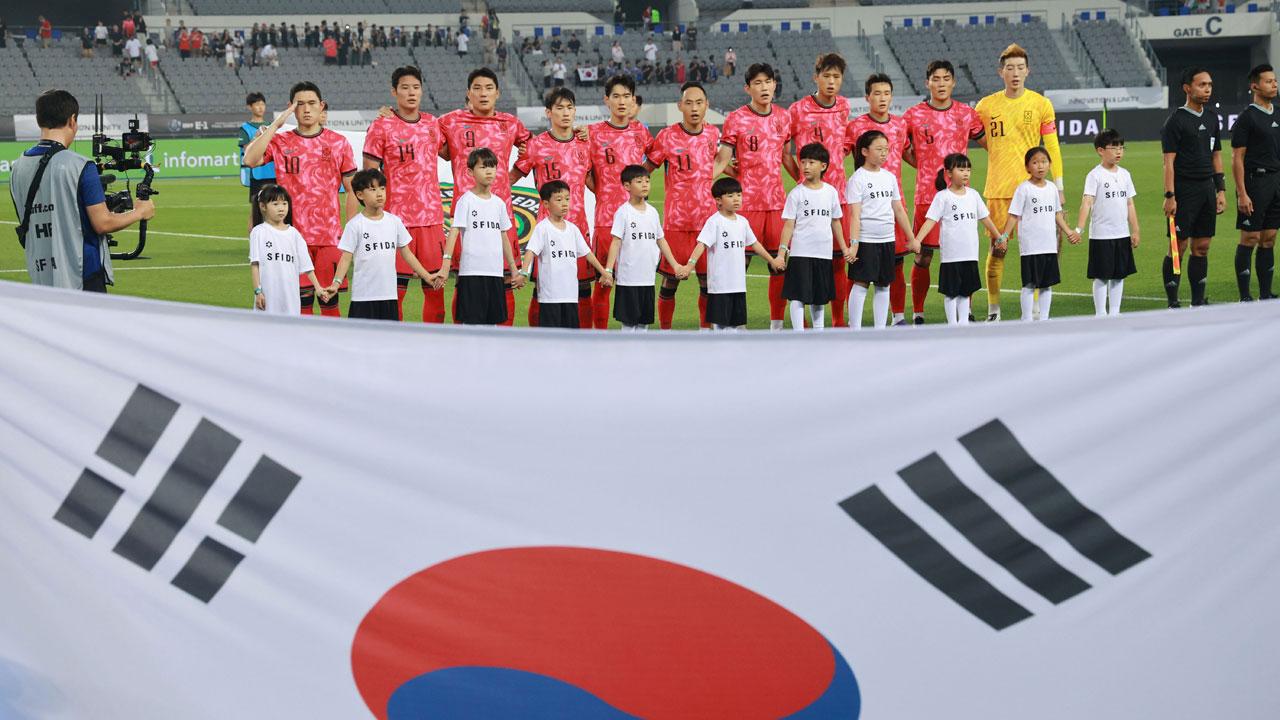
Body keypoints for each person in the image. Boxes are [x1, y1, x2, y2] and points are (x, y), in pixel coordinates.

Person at [9, 90, 155, 291]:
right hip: (82, 276)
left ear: (38, 120)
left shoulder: (17, 167)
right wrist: (140, 212)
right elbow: (103, 223)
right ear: (72, 120)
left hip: (41, 275)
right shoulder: (79, 165)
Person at [243, 81, 359, 317]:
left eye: (312, 103)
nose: (306, 109)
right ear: (291, 108)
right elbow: (250, 160)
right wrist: (275, 125)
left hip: (329, 236)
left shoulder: (338, 143)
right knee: (301, 302)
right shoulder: (281, 141)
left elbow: (352, 190)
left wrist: (351, 229)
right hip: (291, 238)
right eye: (300, 104)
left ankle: (330, 351)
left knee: (329, 299)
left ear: (321, 106)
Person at [976, 43, 1065, 322]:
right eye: (1009, 68)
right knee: (997, 249)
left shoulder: (1040, 104)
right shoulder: (986, 106)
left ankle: (1037, 304)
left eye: (1020, 68)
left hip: (1036, 191)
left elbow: (1052, 147)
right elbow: (979, 138)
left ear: (1028, 71)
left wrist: (1059, 187)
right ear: (1000, 72)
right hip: (1000, 189)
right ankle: (993, 308)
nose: (1015, 73)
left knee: (1040, 249)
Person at [437, 68, 533, 325]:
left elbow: (533, 147)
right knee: (463, 278)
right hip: (466, 214)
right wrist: (390, 114)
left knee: (506, 279)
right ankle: (463, 338)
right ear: (468, 93)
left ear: (497, 93)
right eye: (477, 88)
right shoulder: (450, 121)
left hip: (501, 213)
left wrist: (512, 176)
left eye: (489, 88)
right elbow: (423, 132)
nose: (483, 93)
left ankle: (502, 340)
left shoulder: (510, 123)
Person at [714, 63, 798, 330]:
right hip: (744, 204)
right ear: (747, 88)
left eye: (768, 82)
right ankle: (737, 324)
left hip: (776, 204)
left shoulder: (784, 117)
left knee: (779, 265)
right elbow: (723, 159)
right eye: (758, 83)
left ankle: (776, 324)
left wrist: (806, 184)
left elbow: (787, 158)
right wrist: (705, 180)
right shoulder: (736, 118)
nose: (764, 88)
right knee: (738, 265)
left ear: (775, 85)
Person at [903, 60, 987, 323]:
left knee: (964, 254)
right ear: (927, 82)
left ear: (953, 82)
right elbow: (903, 148)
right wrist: (924, 167)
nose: (941, 84)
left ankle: (967, 310)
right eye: (935, 79)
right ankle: (918, 312)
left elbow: (989, 143)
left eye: (946, 78)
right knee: (923, 256)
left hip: (961, 197)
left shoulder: (967, 113)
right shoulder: (913, 115)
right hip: (927, 196)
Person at [362, 66, 447, 323]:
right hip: (396, 221)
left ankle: (434, 345)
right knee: (394, 292)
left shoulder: (433, 123)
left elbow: (452, 154)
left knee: (435, 287)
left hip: (432, 219)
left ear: (422, 90)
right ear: (394, 92)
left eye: (416, 87)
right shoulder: (382, 126)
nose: (411, 92)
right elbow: (369, 176)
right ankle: (393, 344)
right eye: (405, 87)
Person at [512, 87, 594, 328]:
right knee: (543, 289)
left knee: (583, 286)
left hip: (578, 226)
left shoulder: (584, 144)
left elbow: (592, 183)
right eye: (559, 108)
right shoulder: (536, 145)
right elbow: (512, 177)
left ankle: (584, 338)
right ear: (549, 112)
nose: (565, 113)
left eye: (569, 107)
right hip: (547, 229)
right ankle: (539, 339)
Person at [645, 81, 720, 329]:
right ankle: (665, 332)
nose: (694, 108)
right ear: (680, 106)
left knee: (707, 281)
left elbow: (715, 163)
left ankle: (705, 331)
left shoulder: (712, 134)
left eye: (699, 102)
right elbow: (648, 168)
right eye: (689, 103)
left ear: (707, 105)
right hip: (676, 223)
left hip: (707, 223)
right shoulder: (666, 136)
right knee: (670, 281)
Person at [788, 53, 854, 326]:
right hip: (808, 199)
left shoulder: (844, 106)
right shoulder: (798, 109)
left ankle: (838, 320)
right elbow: (784, 152)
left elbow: (846, 145)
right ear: (816, 78)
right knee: (804, 261)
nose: (831, 81)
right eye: (826, 76)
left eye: (836, 76)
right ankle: (799, 322)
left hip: (838, 195)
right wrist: (802, 182)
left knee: (839, 260)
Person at [847, 73, 915, 325]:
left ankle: (895, 319)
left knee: (893, 269)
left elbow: (907, 153)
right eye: (877, 93)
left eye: (887, 93)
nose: (883, 98)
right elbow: (839, 151)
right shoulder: (855, 126)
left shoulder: (900, 125)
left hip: (892, 204)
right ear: (867, 97)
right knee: (862, 276)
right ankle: (853, 326)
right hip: (865, 209)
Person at [587, 74, 654, 328]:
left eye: (627, 96)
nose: (622, 101)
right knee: (604, 283)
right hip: (606, 220)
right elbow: (585, 173)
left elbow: (656, 157)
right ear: (607, 100)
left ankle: (636, 336)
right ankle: (601, 339)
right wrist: (602, 192)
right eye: (616, 96)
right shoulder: (593, 133)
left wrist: (641, 179)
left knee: (638, 281)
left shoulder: (641, 132)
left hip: (639, 221)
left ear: (634, 100)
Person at [327, 169, 438, 321]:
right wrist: (336, 283)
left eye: (382, 188)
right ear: (360, 195)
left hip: (389, 296)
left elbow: (407, 253)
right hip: (363, 297)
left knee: (388, 342)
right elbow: (346, 258)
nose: (379, 193)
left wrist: (427, 276)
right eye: (373, 189)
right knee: (361, 341)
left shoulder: (394, 222)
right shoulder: (355, 225)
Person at [678, 177, 784, 330]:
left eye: (739, 195)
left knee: (737, 325)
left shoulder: (742, 222)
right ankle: (720, 352)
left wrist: (772, 261)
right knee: (721, 326)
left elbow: (755, 244)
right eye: (730, 196)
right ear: (718, 200)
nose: (736, 199)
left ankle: (734, 352)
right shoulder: (714, 222)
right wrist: (689, 266)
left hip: (738, 285)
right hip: (720, 286)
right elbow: (701, 244)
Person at [1161, 66, 1225, 308]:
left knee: (1202, 246)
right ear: (1187, 88)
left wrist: (1220, 190)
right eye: (1202, 85)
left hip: (1206, 190)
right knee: (1179, 246)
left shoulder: (1211, 118)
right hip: (1183, 191)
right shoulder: (1175, 121)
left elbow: (1216, 155)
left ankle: (1198, 301)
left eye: (1209, 85)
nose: (1207, 89)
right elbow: (1168, 162)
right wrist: (1170, 195)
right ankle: (1173, 301)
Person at [913, 154, 1003, 325]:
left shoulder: (973, 195)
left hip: (969, 253)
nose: (966, 173)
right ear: (948, 173)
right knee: (952, 292)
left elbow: (985, 219)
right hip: (951, 255)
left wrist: (998, 237)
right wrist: (918, 239)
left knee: (965, 291)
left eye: (968, 170)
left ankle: (963, 323)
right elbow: (931, 220)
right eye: (961, 169)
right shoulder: (943, 197)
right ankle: (952, 324)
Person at [441, 148, 523, 325]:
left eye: (492, 167)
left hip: (495, 274)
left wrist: (514, 269)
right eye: (483, 167)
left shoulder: (499, 204)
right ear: (471, 171)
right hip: (472, 274)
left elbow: (504, 237)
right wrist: (445, 264)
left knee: (492, 325)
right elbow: (454, 232)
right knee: (471, 325)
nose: (489, 171)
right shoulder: (466, 200)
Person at [1000, 147, 1080, 321]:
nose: (1040, 166)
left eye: (1044, 162)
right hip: (1030, 246)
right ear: (1028, 167)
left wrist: (1068, 232)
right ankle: (1026, 318)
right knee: (1029, 284)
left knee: (1046, 284)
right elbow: (1013, 215)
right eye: (1035, 162)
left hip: (1049, 245)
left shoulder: (1052, 188)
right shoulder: (1024, 189)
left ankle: (1044, 318)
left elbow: (1057, 214)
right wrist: (1004, 237)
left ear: (1049, 165)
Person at [519, 180, 610, 328]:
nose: (565, 204)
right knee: (551, 337)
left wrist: (603, 272)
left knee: (570, 335)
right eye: (559, 200)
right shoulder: (543, 228)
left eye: (567, 199)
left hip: (570, 295)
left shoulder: (573, 229)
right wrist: (523, 271)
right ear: (546, 204)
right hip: (550, 297)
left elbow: (587, 253)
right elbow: (531, 251)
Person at [779, 143, 846, 331]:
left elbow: (836, 222)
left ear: (823, 166)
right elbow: (789, 225)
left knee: (819, 297)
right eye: (803, 162)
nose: (805, 166)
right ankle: (799, 333)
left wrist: (844, 248)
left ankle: (819, 332)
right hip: (801, 253)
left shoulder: (831, 192)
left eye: (811, 162)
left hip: (824, 253)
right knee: (798, 296)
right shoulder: (797, 194)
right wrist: (781, 252)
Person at [605, 165, 679, 331]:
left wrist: (675, 265)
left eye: (647, 181)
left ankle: (640, 355)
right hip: (629, 278)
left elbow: (661, 240)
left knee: (643, 323)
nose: (645, 185)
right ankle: (627, 354)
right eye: (639, 182)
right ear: (627, 186)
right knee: (629, 322)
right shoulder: (623, 213)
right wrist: (608, 270)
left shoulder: (653, 212)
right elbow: (616, 242)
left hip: (647, 277)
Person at [1231, 63, 1280, 301]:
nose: (1274, 85)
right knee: (1250, 238)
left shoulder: (1278, 113)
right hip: (1255, 182)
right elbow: (1237, 158)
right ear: (1255, 86)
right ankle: (1244, 297)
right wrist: (1242, 193)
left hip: (1276, 182)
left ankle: (1265, 295)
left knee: (1269, 238)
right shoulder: (1246, 118)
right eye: (1269, 81)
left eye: (1275, 80)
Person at [1077, 129, 1139, 315]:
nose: (1119, 152)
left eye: (1121, 148)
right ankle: (1100, 313)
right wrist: (1079, 229)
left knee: (1119, 275)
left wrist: (1135, 230)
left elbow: (1130, 203)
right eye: (1114, 148)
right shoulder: (1095, 175)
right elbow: (1086, 202)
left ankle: (1114, 312)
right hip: (1101, 234)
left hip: (1122, 233)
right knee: (1102, 276)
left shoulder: (1125, 174)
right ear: (1101, 151)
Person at [249, 185, 324, 314]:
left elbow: (307, 266)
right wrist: (258, 291)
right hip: (268, 296)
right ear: (263, 206)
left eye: (284, 203)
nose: (281, 208)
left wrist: (318, 287)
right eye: (275, 204)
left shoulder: (294, 234)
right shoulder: (259, 232)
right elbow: (255, 265)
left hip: (291, 297)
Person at [239, 92, 277, 233]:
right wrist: (256, 137)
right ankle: (254, 244)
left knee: (277, 210)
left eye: (262, 104)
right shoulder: (246, 128)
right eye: (257, 104)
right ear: (250, 107)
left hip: (274, 172)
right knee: (256, 211)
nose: (260, 107)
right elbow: (247, 151)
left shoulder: (273, 126)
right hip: (257, 174)